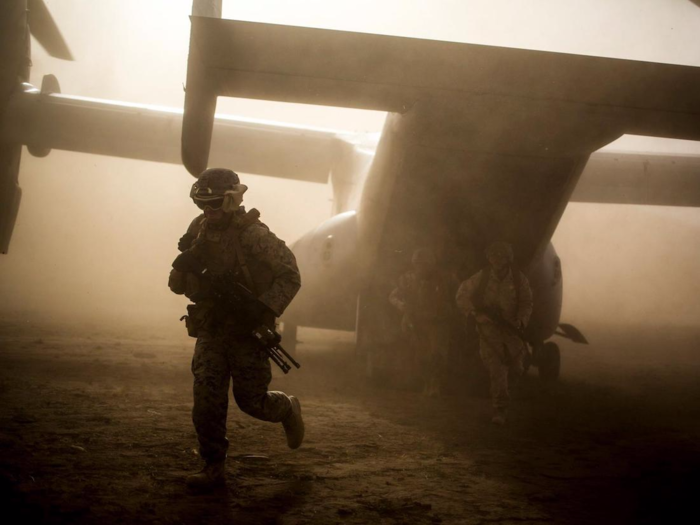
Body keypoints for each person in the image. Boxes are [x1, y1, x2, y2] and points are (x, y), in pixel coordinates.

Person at [168, 168, 304, 490]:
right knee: (206, 399)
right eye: (204, 205)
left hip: (248, 331)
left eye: (215, 204)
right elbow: (178, 285)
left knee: (252, 401)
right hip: (212, 328)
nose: (209, 212)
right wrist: (183, 265)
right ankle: (213, 466)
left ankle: (286, 408)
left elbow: (290, 275)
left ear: (231, 201)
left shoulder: (253, 235)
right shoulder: (199, 229)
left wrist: (263, 308)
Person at [455, 242, 533, 425]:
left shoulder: (518, 279)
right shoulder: (482, 277)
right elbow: (461, 294)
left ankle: (505, 397)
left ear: (508, 259)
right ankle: (500, 410)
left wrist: (521, 320)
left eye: (501, 257)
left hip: (512, 329)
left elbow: (527, 302)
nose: (496, 260)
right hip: (489, 330)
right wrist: (474, 314)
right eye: (493, 256)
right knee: (497, 368)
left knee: (516, 368)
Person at [389, 248, 459, 396]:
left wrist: (451, 310)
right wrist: (403, 307)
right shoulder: (407, 279)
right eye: (418, 263)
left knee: (438, 354)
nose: (422, 266)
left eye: (425, 263)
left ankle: (435, 384)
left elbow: (459, 295)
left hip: (439, 323)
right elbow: (394, 296)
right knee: (421, 355)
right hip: (417, 322)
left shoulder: (446, 278)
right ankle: (426, 383)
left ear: (432, 263)